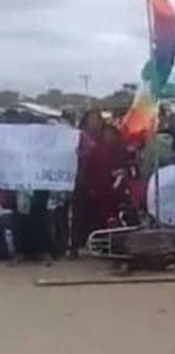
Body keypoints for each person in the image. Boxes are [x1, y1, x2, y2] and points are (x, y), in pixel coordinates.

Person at [71, 109, 104, 257]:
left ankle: (96, 244)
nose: (94, 122)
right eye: (91, 119)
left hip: (99, 180)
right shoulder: (77, 136)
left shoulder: (104, 137)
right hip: (81, 178)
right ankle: (75, 245)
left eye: (97, 119)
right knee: (79, 214)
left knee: (96, 214)